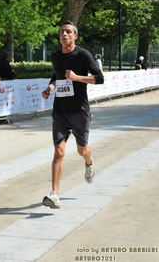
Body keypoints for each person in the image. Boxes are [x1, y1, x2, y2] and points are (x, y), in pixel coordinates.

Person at [41, 20, 104, 209]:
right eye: (62, 32)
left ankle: (89, 161)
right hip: (60, 111)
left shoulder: (83, 54)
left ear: (75, 36)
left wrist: (77, 78)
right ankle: (54, 194)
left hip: (79, 111)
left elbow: (99, 78)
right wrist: (50, 88)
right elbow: (56, 76)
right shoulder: (55, 56)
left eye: (68, 32)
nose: (64, 34)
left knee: (81, 150)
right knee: (59, 152)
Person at [0, 50, 15, 125]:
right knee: (5, 101)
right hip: (6, 84)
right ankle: (3, 119)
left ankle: (0, 118)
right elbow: (10, 75)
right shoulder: (6, 64)